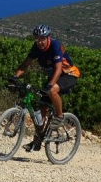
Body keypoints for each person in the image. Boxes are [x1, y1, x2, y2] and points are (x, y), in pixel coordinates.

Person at [9, 24, 81, 152]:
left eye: (42, 38)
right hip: (54, 78)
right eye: (37, 39)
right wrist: (15, 77)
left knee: (52, 90)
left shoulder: (55, 45)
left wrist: (49, 85)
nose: (40, 42)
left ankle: (59, 117)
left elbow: (58, 69)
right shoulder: (36, 48)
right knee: (42, 108)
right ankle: (37, 141)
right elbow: (25, 64)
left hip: (68, 75)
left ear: (48, 38)